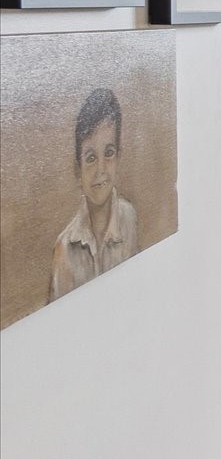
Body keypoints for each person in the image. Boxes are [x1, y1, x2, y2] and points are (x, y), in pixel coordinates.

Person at [49, 88, 139, 302]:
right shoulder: (65, 249)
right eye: (90, 158)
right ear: (76, 170)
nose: (100, 170)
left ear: (118, 157)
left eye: (108, 153)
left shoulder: (129, 217)